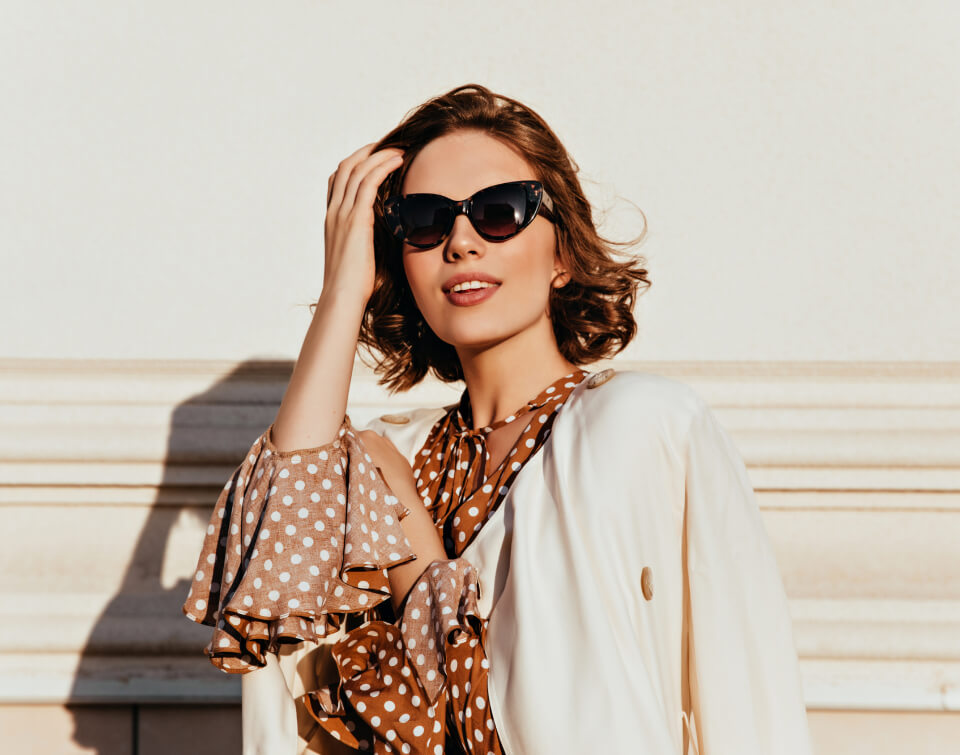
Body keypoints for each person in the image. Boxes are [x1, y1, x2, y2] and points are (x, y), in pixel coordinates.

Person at [182, 84, 814, 754]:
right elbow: (277, 583)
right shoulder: (385, 454)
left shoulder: (640, 426)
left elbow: (748, 695)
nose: (461, 241)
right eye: (425, 221)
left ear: (563, 253)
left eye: (499, 212)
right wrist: (342, 289)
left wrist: (414, 542)